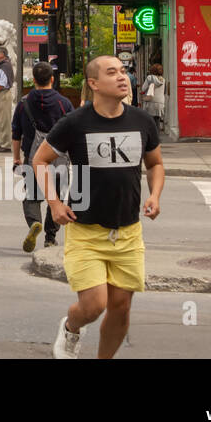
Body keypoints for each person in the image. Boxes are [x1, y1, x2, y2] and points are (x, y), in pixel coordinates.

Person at [34, 55, 165, 360]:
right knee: (94, 305)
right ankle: (71, 326)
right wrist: (54, 203)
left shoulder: (141, 121)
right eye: (112, 72)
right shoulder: (75, 123)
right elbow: (40, 161)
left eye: (123, 71)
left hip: (128, 232)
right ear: (93, 84)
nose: (122, 77)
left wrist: (155, 195)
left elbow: (155, 163)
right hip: (86, 231)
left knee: (120, 308)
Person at [12, 61, 72, 252]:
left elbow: (16, 133)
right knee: (58, 197)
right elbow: (73, 131)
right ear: (52, 79)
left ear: (34, 80)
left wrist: (16, 159)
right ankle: (50, 237)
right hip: (60, 157)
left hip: (33, 156)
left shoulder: (23, 103)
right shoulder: (64, 104)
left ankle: (34, 223)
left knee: (32, 196)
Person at [0, 45, 15, 152]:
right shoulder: (0, 65)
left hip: (3, 94)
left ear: (2, 54)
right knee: (0, 120)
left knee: (5, 120)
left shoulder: (5, 66)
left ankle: (6, 145)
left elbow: (3, 83)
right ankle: (2, 142)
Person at [140, 63, 166, 133]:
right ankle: (157, 137)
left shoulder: (150, 78)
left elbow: (143, 88)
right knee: (157, 120)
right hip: (160, 102)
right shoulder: (163, 80)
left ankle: (152, 137)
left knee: (150, 121)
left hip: (151, 101)